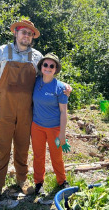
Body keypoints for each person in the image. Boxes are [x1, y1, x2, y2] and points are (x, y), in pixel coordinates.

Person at [0, 20, 70, 205]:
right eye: (23, 32)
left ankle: (21, 178)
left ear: (32, 38)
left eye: (30, 34)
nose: (26, 36)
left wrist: (63, 87)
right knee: (2, 146)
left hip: (27, 111)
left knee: (22, 146)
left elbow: (46, 77)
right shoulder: (1, 52)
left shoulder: (37, 56)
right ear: (16, 33)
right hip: (5, 109)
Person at [28, 53, 70, 196]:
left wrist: (62, 133)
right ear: (41, 66)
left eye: (52, 66)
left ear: (55, 69)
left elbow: (63, 112)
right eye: (45, 64)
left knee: (56, 156)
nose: (48, 67)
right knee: (38, 155)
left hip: (55, 128)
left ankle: (62, 181)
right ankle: (38, 183)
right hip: (37, 126)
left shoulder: (61, 87)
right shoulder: (35, 82)